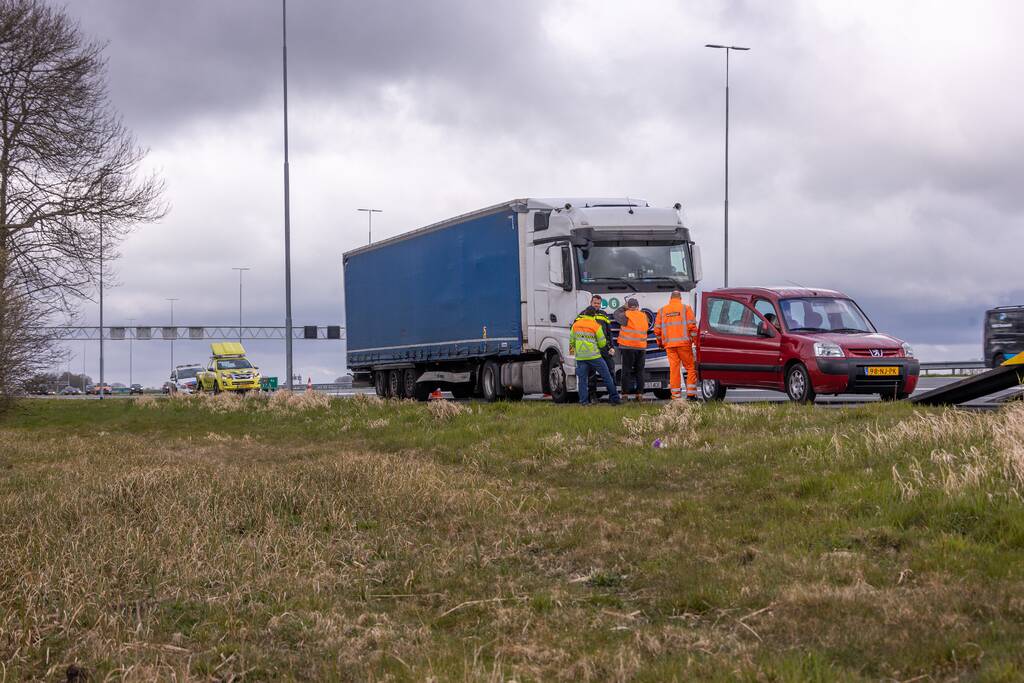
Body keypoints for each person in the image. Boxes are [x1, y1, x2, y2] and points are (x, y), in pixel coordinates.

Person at [570, 306, 621, 406]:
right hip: (594, 356)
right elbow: (602, 343)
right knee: (607, 376)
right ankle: (615, 398)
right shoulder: (596, 325)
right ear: (594, 315)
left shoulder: (576, 325)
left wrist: (574, 354)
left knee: (582, 380)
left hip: (581, 357)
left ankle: (584, 402)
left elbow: (572, 341)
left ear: (584, 314)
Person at [655, 290, 698, 400]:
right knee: (690, 368)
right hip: (684, 345)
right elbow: (692, 328)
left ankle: (675, 396)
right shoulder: (686, 308)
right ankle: (691, 395)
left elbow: (657, 330)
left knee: (674, 370)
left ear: (670, 298)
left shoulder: (662, 310)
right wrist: (696, 341)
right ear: (680, 298)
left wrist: (660, 343)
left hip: (669, 345)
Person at [576, 295, 616, 387]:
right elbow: (574, 329)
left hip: (605, 348)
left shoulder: (604, 314)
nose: (597, 305)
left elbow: (609, 332)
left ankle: (613, 395)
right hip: (591, 348)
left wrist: (612, 347)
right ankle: (592, 395)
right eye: (595, 303)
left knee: (610, 369)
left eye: (598, 303)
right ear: (591, 303)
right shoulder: (583, 314)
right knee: (591, 373)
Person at [614, 298, 648, 401]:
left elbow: (616, 314)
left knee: (626, 371)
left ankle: (625, 394)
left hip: (628, 347)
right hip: (641, 347)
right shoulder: (644, 316)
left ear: (628, 306)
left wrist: (624, 307)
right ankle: (640, 394)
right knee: (640, 371)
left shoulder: (626, 315)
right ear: (637, 307)